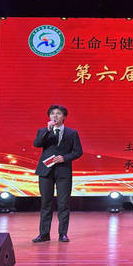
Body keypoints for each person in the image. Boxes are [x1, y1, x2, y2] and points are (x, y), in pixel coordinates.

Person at [32, 104, 83, 243]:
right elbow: (36, 144)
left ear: (64, 116)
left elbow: (78, 152)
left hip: (63, 172)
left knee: (63, 204)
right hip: (46, 171)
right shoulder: (43, 131)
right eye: (52, 113)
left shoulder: (72, 133)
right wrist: (48, 130)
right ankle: (44, 234)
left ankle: (63, 234)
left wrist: (64, 158)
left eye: (58, 113)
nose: (55, 115)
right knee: (45, 203)